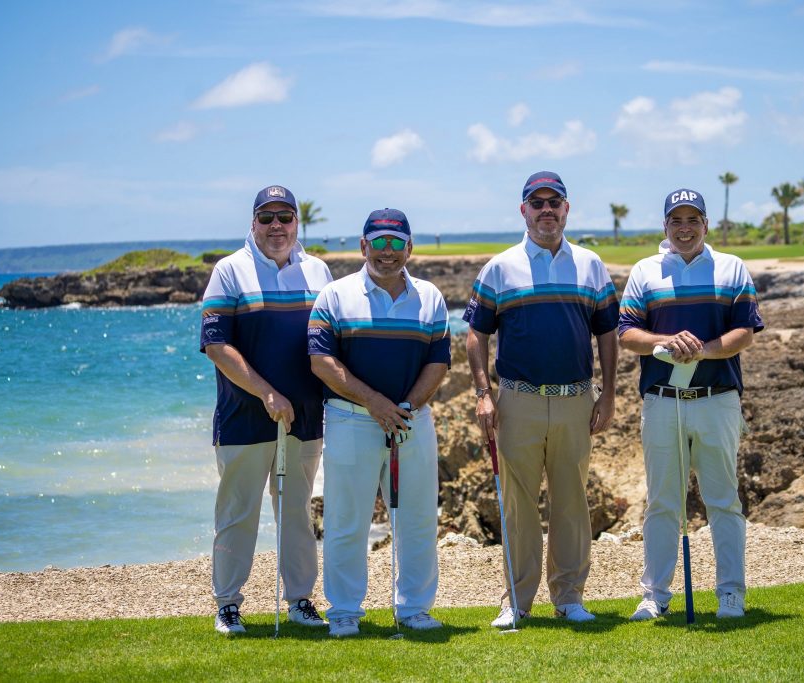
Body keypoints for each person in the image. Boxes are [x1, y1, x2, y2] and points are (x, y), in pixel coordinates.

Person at [464, 171, 619, 627]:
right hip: (518, 401)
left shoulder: (590, 265)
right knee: (519, 507)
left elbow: (608, 334)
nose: (546, 210)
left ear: (566, 209)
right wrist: (483, 393)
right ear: (524, 210)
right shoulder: (500, 268)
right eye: (538, 203)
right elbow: (476, 335)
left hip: (576, 399)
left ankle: (569, 598)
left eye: (554, 202)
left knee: (571, 503)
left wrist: (609, 395)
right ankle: (517, 601)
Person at [618, 188, 763, 621]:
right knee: (663, 502)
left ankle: (731, 594)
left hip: (718, 399)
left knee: (723, 501)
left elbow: (745, 332)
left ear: (705, 224)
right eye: (676, 221)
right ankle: (655, 595)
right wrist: (668, 341)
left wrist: (700, 350)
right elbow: (627, 334)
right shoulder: (645, 271)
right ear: (665, 226)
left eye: (692, 220)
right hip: (663, 401)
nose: (685, 229)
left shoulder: (731, 268)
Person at [309, 208, 450, 638]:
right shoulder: (335, 296)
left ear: (409, 247)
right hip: (350, 420)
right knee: (346, 519)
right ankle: (344, 611)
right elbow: (321, 362)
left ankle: (414, 609)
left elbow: (438, 362)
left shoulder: (430, 297)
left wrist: (403, 408)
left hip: (412, 422)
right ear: (363, 246)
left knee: (418, 518)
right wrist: (375, 403)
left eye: (396, 243)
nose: (387, 251)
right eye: (379, 242)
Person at [200, 185, 334, 634]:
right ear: (253, 222)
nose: (277, 226)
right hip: (244, 417)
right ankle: (227, 605)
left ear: (297, 222)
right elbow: (216, 346)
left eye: (285, 217)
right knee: (237, 515)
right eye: (267, 217)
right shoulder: (229, 271)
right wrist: (267, 394)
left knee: (297, 513)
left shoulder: (318, 271)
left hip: (306, 418)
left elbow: (330, 341)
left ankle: (300, 600)